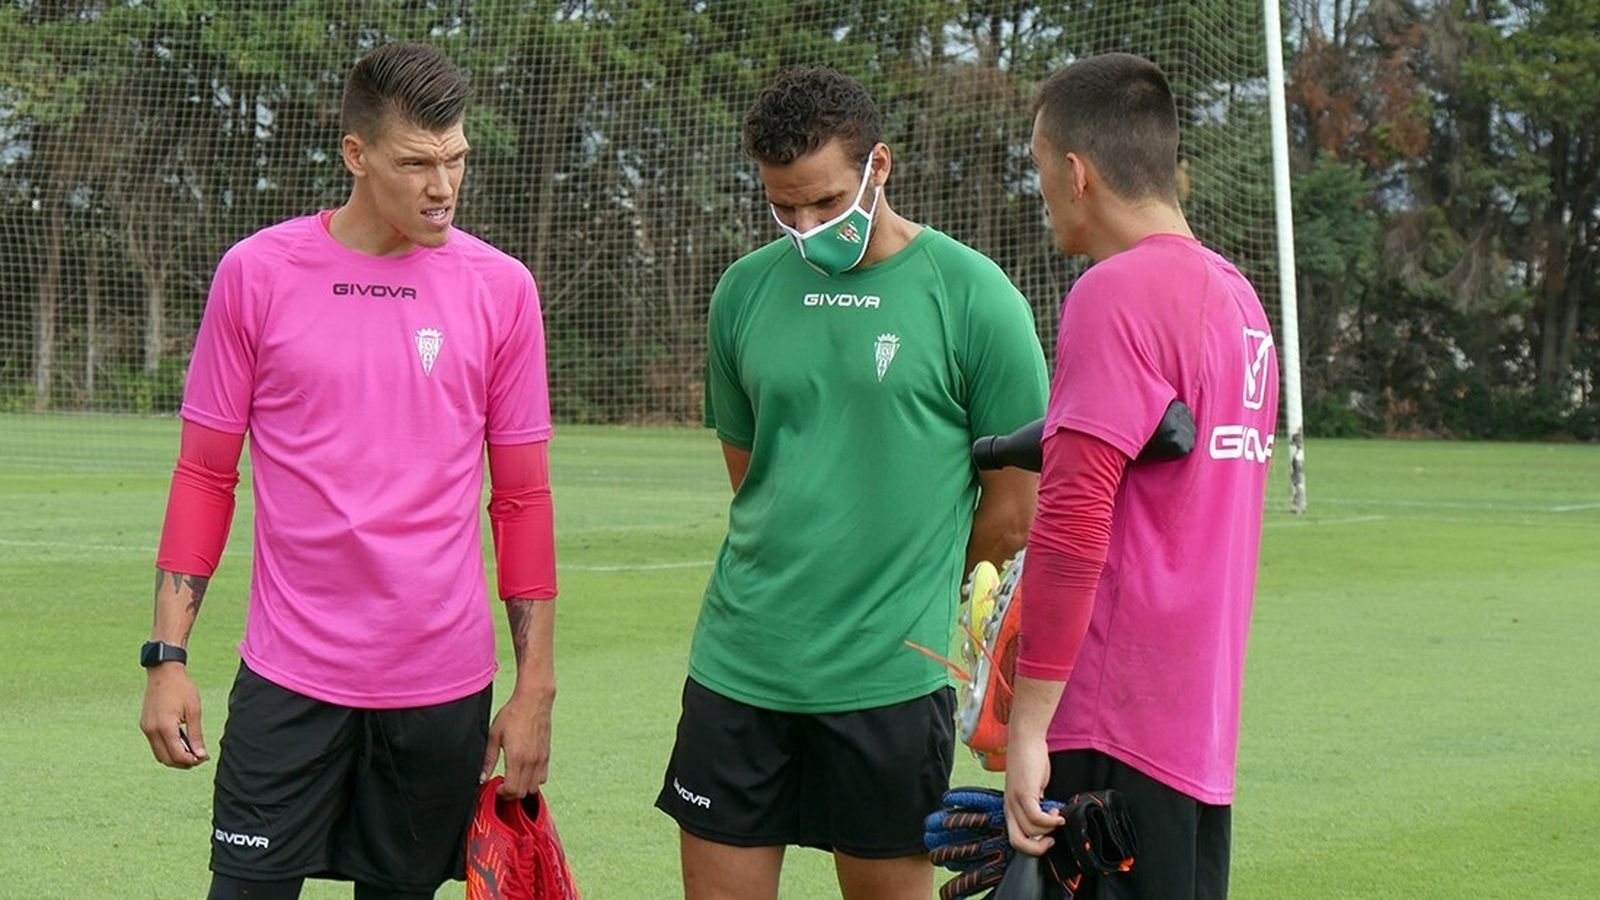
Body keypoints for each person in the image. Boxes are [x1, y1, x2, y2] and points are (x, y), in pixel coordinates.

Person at [137, 43, 560, 900]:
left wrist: (534, 687)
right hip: (289, 679)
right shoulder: (256, 273)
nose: (442, 187)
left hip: (441, 690)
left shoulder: (503, 288)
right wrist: (166, 657)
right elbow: (204, 475)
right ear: (357, 155)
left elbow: (520, 498)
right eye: (416, 163)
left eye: (456, 160)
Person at [654, 66, 1050, 900]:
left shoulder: (975, 299)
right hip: (739, 667)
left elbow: (1013, 511)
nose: (804, 226)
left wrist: (904, 574)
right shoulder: (743, 292)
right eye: (783, 206)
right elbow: (755, 476)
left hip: (887, 683)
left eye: (826, 203)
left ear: (880, 166)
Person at [1000, 52, 1280, 899]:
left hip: (1111, 728)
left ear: (1076, 172)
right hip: (1198, 740)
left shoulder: (1112, 294)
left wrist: (1027, 730)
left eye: (1040, 166)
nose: (1041, 187)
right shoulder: (1241, 302)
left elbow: (1073, 523)